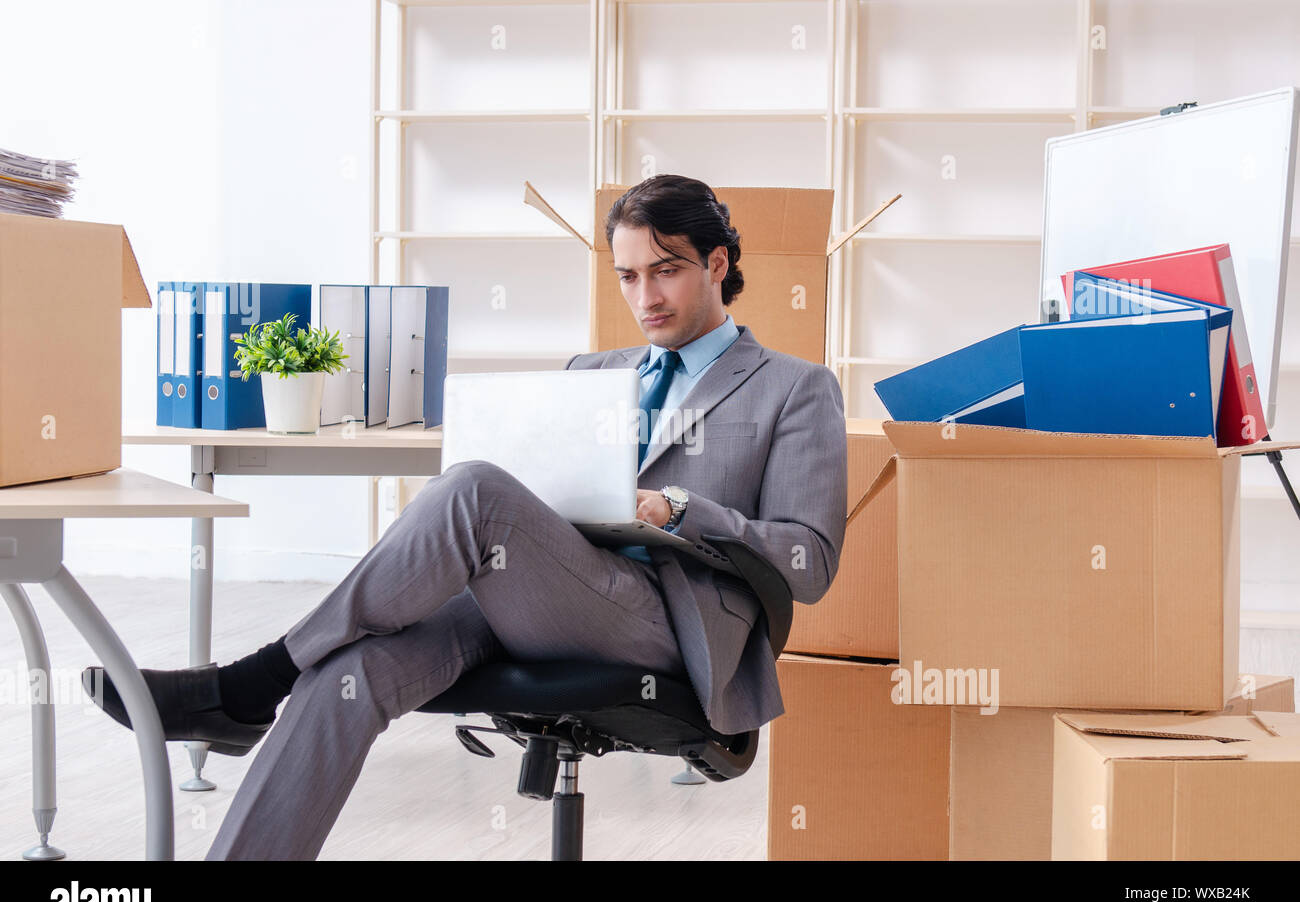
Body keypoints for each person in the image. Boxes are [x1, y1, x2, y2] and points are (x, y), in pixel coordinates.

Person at [84, 173, 849, 860]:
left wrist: (680, 508)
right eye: (627, 275)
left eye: (666, 270)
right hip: (537, 587)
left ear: (717, 264)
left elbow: (809, 561)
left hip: (666, 622)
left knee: (475, 487)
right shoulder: (594, 373)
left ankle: (254, 679)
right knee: (349, 671)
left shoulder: (794, 387)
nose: (645, 295)